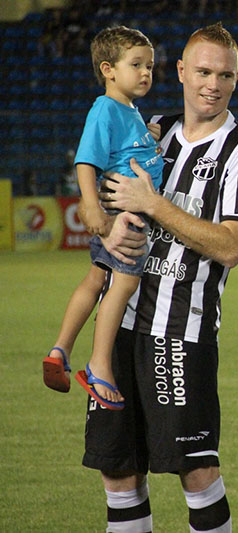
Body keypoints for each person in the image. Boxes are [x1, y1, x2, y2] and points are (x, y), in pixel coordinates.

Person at [81, 23, 238, 533]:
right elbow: (103, 184)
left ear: (236, 79)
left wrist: (153, 205)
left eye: (225, 75)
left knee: (196, 469)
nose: (213, 84)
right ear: (182, 72)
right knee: (118, 472)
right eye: (203, 71)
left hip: (181, 335)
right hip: (117, 328)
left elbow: (232, 247)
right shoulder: (150, 129)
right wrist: (113, 220)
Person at [42, 26, 164, 410]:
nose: (146, 73)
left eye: (150, 66)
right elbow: (86, 159)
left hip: (126, 209)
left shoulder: (128, 112)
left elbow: (126, 149)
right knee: (122, 286)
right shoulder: (105, 108)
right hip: (124, 215)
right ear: (109, 69)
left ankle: (60, 350)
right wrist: (91, 205)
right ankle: (99, 366)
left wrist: (149, 134)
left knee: (97, 278)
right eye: (136, 65)